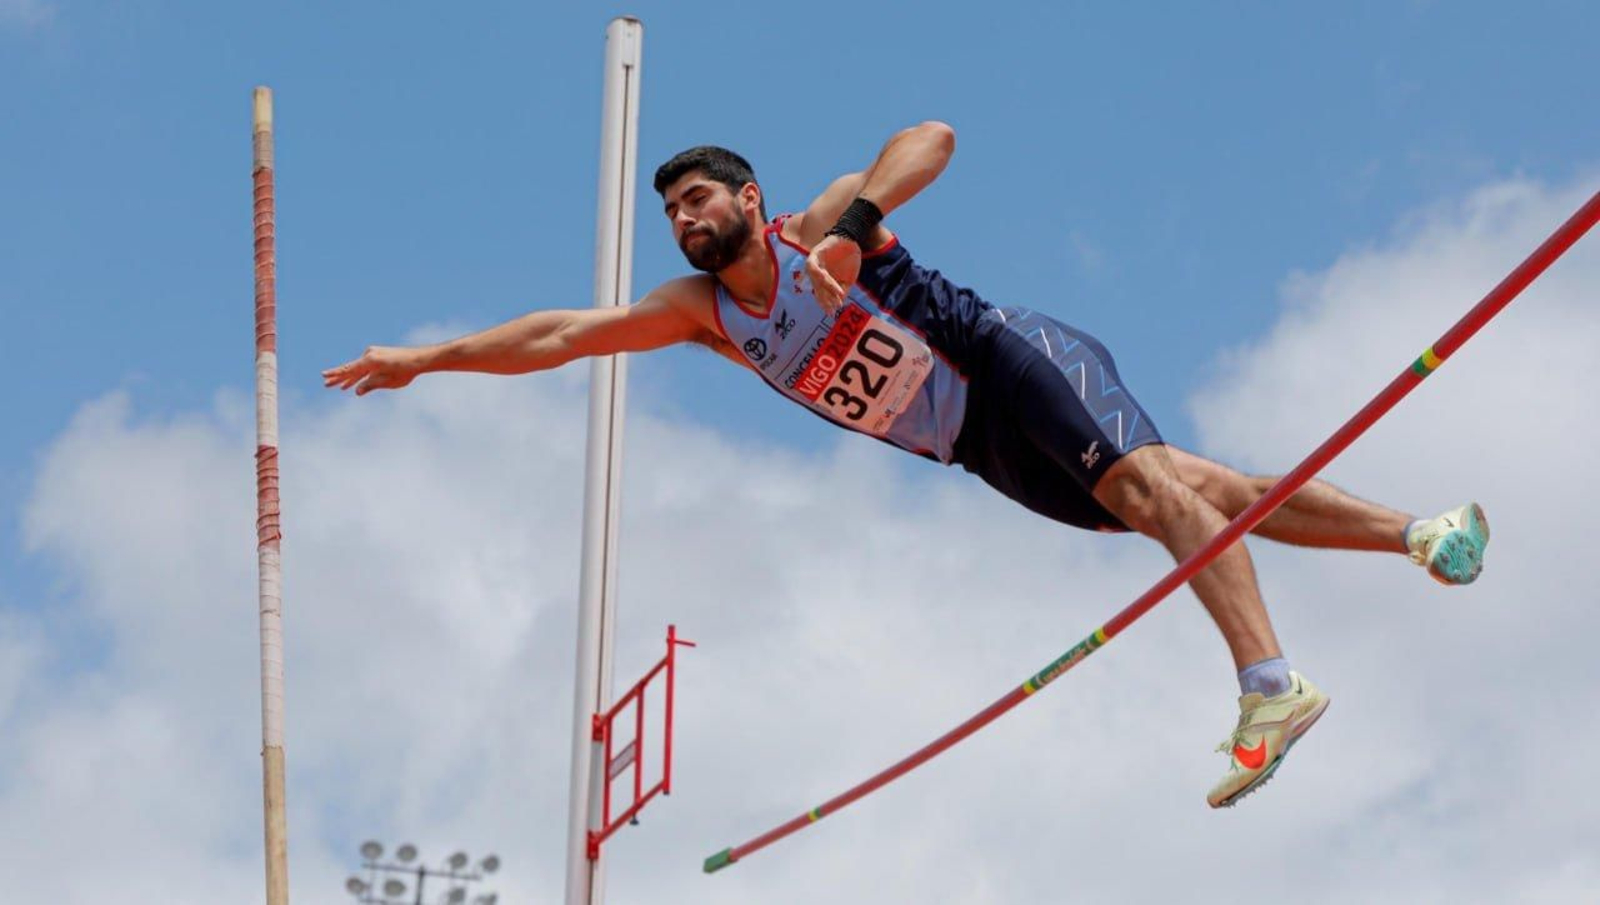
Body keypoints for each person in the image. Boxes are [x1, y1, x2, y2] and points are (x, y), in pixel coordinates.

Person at [324, 122, 1490, 808]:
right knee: (1208, 498)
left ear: (750, 200)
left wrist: (854, 223)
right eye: (672, 209)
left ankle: (1268, 688)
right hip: (968, 446)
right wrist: (426, 359)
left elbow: (930, 135)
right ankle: (1421, 532)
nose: (685, 218)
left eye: (699, 197)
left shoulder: (811, 225)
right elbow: (557, 336)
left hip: (1004, 358)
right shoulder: (698, 313)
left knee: (1153, 496)